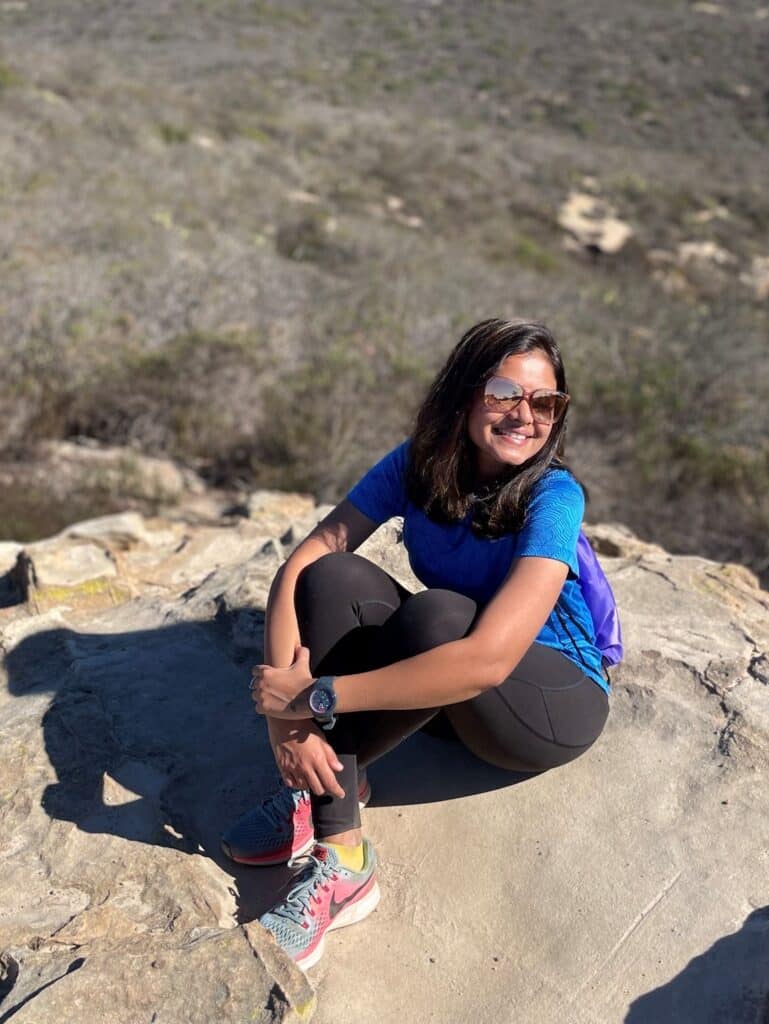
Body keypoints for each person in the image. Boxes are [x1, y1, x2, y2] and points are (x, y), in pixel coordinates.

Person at [223, 318, 611, 970]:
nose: (525, 415)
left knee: (439, 619)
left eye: (545, 402)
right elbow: (303, 562)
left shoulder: (553, 495)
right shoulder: (418, 464)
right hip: (443, 693)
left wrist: (312, 699)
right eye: (504, 394)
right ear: (463, 395)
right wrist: (282, 724)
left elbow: (486, 659)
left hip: (544, 704)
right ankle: (339, 823)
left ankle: (334, 835)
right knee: (333, 577)